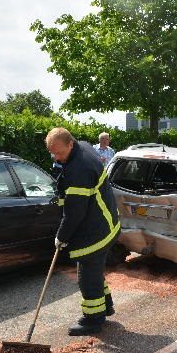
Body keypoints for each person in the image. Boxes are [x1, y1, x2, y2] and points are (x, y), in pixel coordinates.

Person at [46, 128, 121, 336]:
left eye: (59, 153)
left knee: (86, 275)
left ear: (70, 144)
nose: (56, 158)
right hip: (105, 221)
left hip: (96, 230)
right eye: (52, 153)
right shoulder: (83, 147)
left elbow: (75, 213)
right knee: (94, 272)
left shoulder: (80, 169)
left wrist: (61, 237)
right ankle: (105, 306)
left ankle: (93, 319)